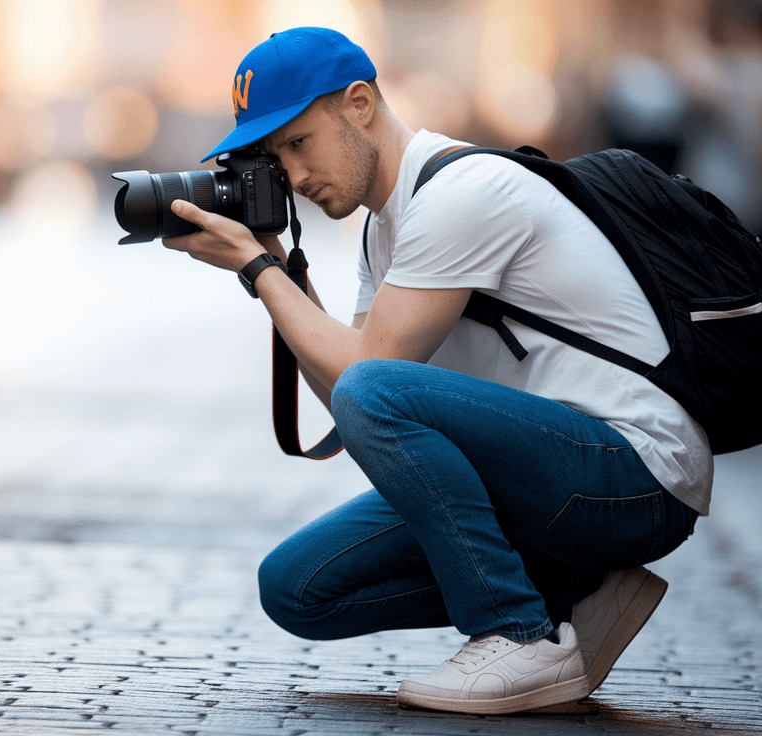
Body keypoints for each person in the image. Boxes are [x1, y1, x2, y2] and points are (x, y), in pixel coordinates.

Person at [162, 27, 710, 714]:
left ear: (359, 104)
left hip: (632, 475)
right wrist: (277, 264)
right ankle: (577, 590)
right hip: (546, 478)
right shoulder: (384, 226)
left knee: (375, 386)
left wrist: (258, 269)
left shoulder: (464, 192)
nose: (293, 176)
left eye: (299, 143)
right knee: (297, 588)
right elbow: (350, 404)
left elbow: (369, 378)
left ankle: (519, 633)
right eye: (273, 158)